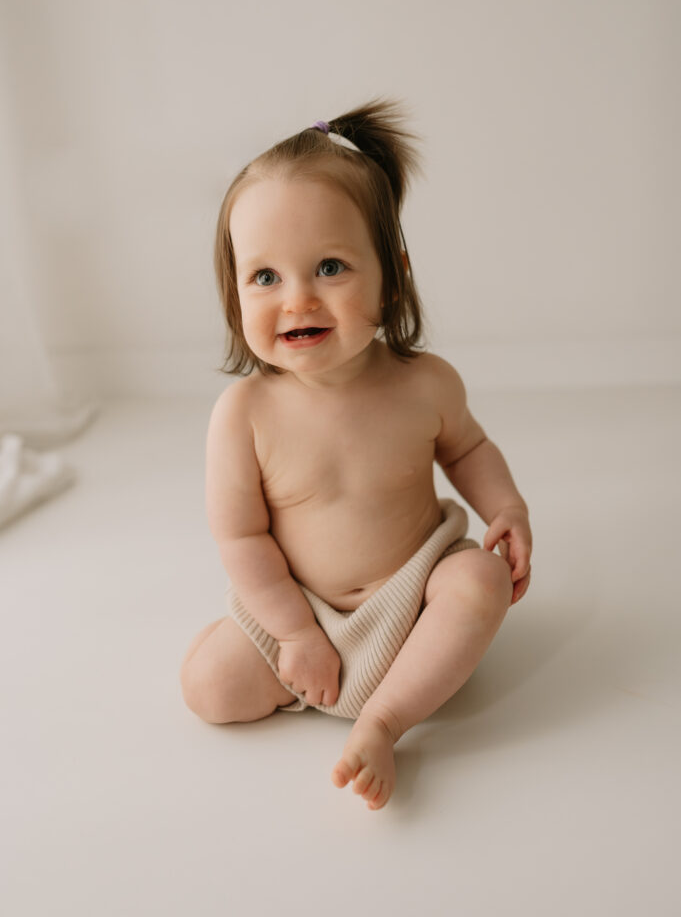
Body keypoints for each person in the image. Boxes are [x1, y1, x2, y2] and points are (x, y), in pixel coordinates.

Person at [180, 98, 532, 811]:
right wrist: (293, 632)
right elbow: (240, 536)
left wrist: (505, 507)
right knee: (206, 689)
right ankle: (318, 670)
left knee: (479, 585)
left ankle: (384, 718)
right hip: (295, 603)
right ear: (233, 290)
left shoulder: (423, 383)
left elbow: (469, 449)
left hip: (411, 588)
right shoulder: (245, 415)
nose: (296, 299)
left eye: (330, 266)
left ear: (391, 276)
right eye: (265, 277)